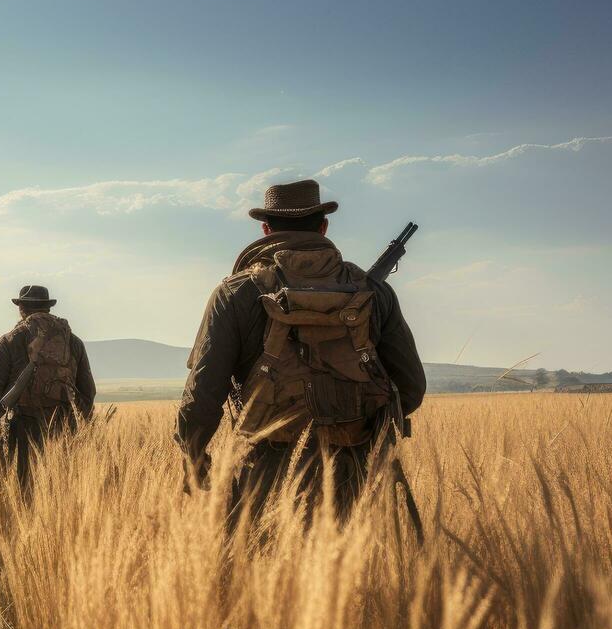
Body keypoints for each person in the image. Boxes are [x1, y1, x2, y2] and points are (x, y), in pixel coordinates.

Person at [176, 178, 426, 520]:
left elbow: (202, 396)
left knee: (252, 564)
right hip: (355, 468)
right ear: (323, 227)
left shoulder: (235, 294)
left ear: (266, 229)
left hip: (264, 472)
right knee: (353, 569)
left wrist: (195, 459)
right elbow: (411, 387)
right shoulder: (372, 293)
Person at [0, 285, 96, 487]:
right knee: (60, 488)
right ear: (48, 308)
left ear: (21, 309)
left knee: (24, 489)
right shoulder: (73, 342)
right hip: (63, 425)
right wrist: (80, 427)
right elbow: (88, 391)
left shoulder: (9, 341)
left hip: (22, 425)